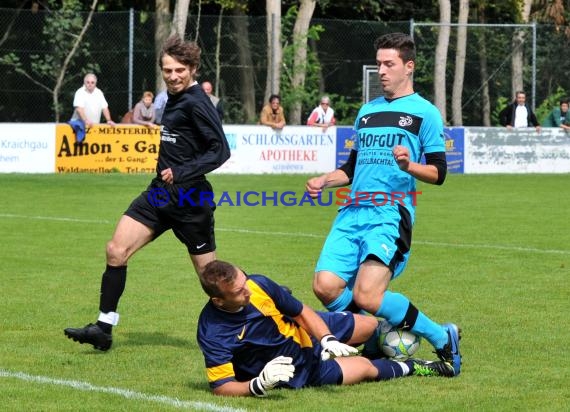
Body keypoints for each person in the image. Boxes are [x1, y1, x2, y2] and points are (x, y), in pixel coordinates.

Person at [305, 32, 462, 377]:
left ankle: (442, 336)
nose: (382, 71)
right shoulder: (367, 112)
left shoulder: (426, 113)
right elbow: (350, 168)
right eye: (378, 64)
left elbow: (439, 172)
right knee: (325, 286)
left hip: (390, 213)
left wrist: (409, 166)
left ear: (409, 67)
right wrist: (323, 180)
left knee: (367, 295)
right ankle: (376, 332)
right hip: (352, 211)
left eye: (389, 64)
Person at [64, 35, 231, 351]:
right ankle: (104, 326)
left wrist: (182, 171)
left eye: (180, 70)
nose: (173, 76)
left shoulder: (197, 102)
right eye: (167, 70)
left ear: (193, 69)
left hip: (190, 201)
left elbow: (220, 151)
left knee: (212, 279)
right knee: (116, 250)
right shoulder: (173, 98)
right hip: (159, 194)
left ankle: (264, 314)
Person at [197, 260, 454, 397]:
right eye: (239, 291)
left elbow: (301, 312)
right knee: (365, 368)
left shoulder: (256, 284)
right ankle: (417, 367)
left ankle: (379, 349)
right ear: (218, 300)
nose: (247, 291)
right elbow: (221, 386)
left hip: (306, 331)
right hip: (299, 367)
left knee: (370, 325)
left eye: (244, 281)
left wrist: (327, 338)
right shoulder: (212, 332)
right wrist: (258, 384)